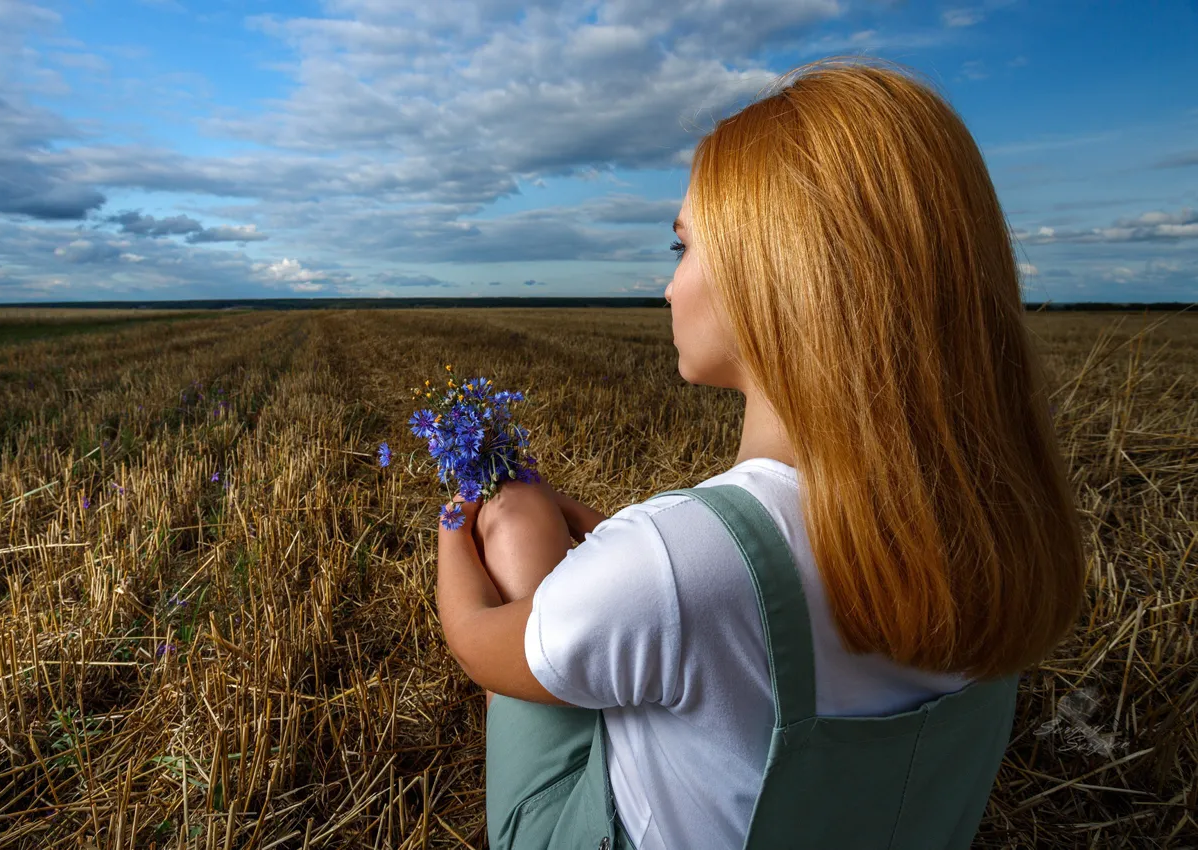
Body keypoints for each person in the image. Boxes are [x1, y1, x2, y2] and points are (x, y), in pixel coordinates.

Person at [434, 54, 1087, 850]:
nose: (668, 288)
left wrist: (462, 520)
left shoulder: (677, 562)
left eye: (683, 249)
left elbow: (479, 643)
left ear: (769, 277)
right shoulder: (995, 524)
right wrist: (631, 568)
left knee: (517, 520)